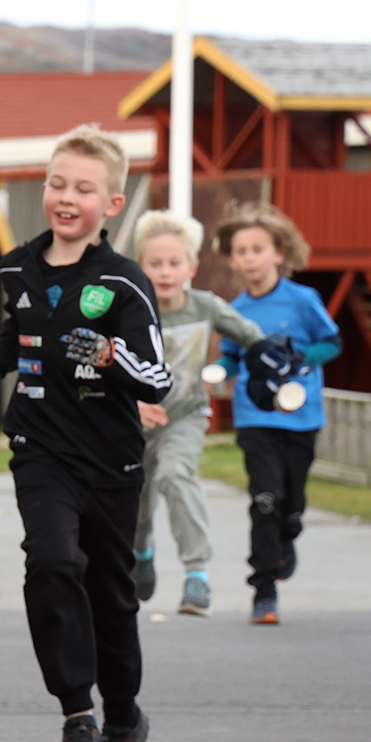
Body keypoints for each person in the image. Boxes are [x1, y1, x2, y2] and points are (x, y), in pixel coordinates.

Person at [0, 125, 171, 742]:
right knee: (51, 563)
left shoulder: (125, 284)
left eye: (82, 188)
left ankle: (124, 724)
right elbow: (8, 345)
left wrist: (110, 357)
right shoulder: (17, 269)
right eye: (56, 183)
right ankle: (78, 716)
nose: (65, 197)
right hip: (40, 450)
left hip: (110, 462)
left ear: (112, 203)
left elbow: (157, 379)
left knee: (111, 600)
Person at [128, 212, 262, 617]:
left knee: (174, 473)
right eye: (155, 264)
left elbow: (250, 337)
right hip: (133, 420)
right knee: (136, 500)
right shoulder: (129, 309)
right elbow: (105, 362)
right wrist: (131, 403)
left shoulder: (205, 306)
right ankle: (140, 552)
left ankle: (196, 575)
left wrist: (269, 355)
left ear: (191, 267)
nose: (165, 272)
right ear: (140, 267)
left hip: (183, 416)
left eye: (174, 263)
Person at [211, 203, 338, 626]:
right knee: (264, 500)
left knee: (290, 505)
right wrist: (217, 373)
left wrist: (301, 360)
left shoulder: (302, 300)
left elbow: (332, 343)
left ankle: (290, 533)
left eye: (257, 249)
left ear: (278, 253)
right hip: (255, 419)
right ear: (232, 260)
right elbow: (230, 356)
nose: (249, 258)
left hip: (301, 419)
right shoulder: (236, 309)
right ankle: (263, 591)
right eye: (240, 251)